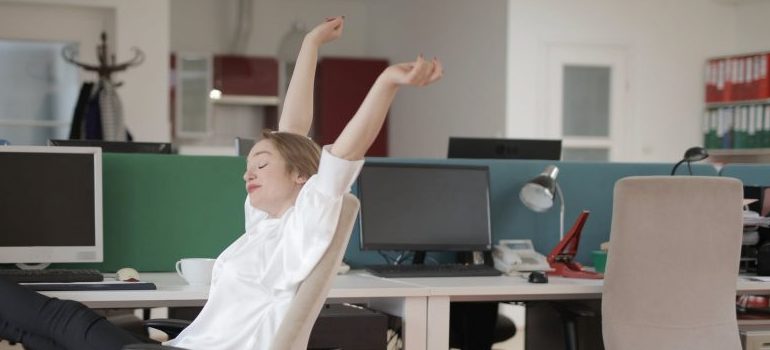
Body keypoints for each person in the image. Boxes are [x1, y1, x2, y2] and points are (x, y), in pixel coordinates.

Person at [0, 16, 441, 350]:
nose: (248, 173)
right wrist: (309, 45)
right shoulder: (264, 226)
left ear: (302, 178)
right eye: (248, 165)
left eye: (261, 165)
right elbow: (292, 129)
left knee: (66, 322)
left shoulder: (304, 229)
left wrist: (386, 84)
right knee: (36, 331)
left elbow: (343, 155)